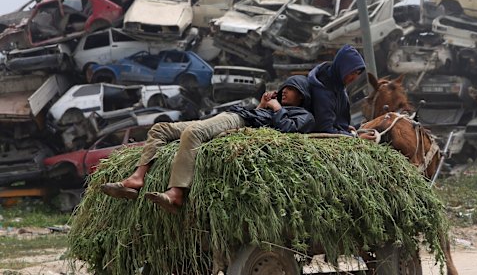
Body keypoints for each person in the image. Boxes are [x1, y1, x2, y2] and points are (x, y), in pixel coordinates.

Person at [100, 75, 314, 213]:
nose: (284, 91)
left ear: (302, 95)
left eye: (291, 89)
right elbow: (259, 115)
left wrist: (276, 107)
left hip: (238, 120)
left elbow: (288, 130)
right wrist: (264, 104)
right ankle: (137, 178)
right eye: (283, 88)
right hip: (234, 115)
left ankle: (176, 193)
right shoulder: (273, 106)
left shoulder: (303, 115)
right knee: (159, 129)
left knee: (194, 133)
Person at [308, 44, 369, 136]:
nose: (355, 78)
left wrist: (344, 127)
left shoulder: (339, 85)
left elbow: (335, 120)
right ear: (342, 68)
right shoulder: (322, 91)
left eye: (357, 73)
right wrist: (355, 138)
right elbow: (325, 130)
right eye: (352, 73)